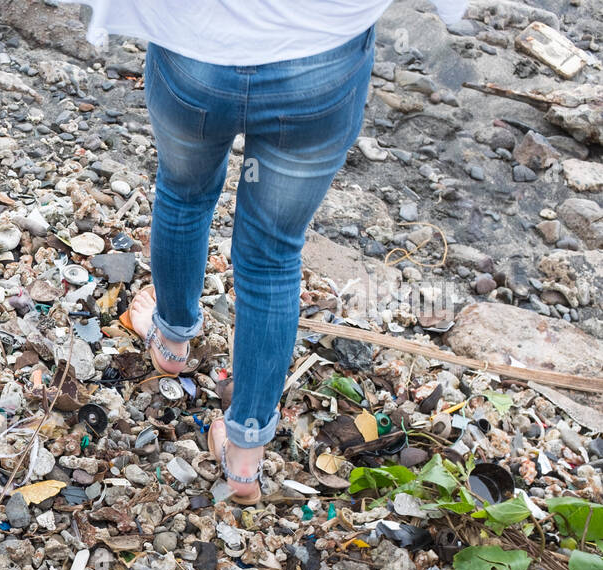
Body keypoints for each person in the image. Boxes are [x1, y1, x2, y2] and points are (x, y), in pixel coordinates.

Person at [70, 0, 466, 503]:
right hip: (317, 61)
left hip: (198, 50)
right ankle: (244, 457)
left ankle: (171, 345)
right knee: (271, 257)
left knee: (184, 195)